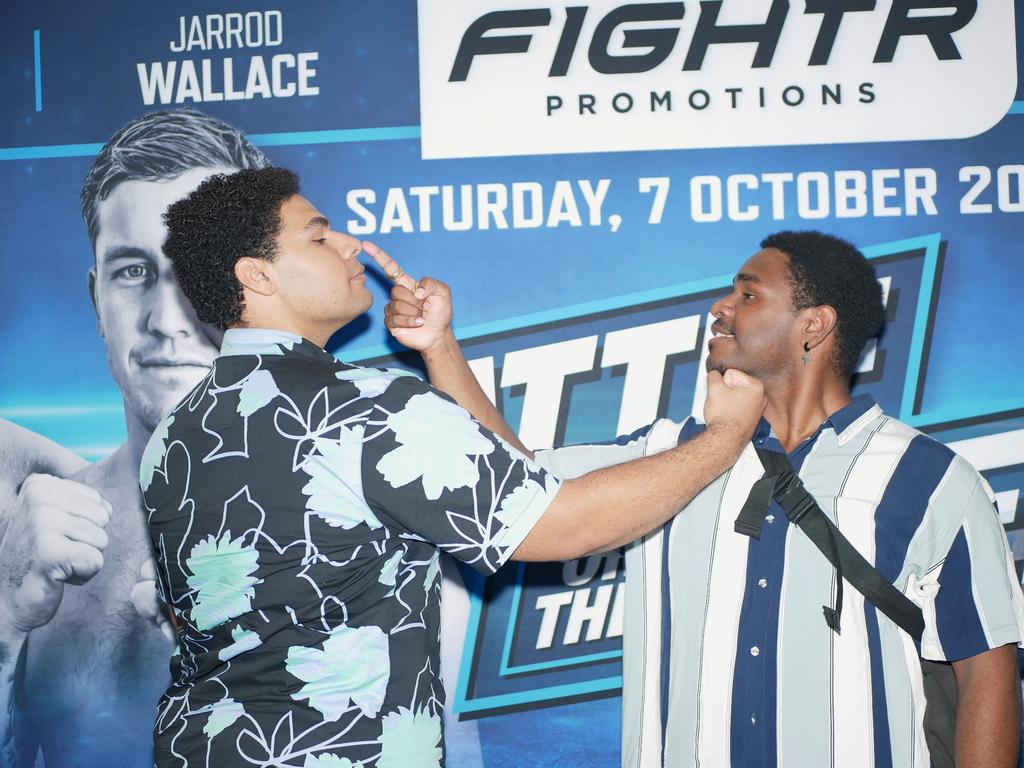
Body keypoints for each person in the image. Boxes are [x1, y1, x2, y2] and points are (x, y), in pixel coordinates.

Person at [141, 166, 765, 766]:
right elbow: (558, 522)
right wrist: (724, 438)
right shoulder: (365, 407)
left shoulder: (174, 434)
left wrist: (439, 347)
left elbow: (521, 483)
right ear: (258, 275)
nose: (350, 243)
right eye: (319, 235)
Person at [379, 230, 1024, 768]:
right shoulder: (670, 455)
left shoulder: (935, 480)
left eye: (747, 293)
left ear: (814, 326)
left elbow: (985, 675)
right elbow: (515, 485)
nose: (720, 306)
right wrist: (439, 345)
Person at [0, 109, 268, 768]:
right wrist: (4, 623)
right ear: (97, 300)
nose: (167, 320)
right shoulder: (24, 538)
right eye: (131, 271)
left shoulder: (356, 530)